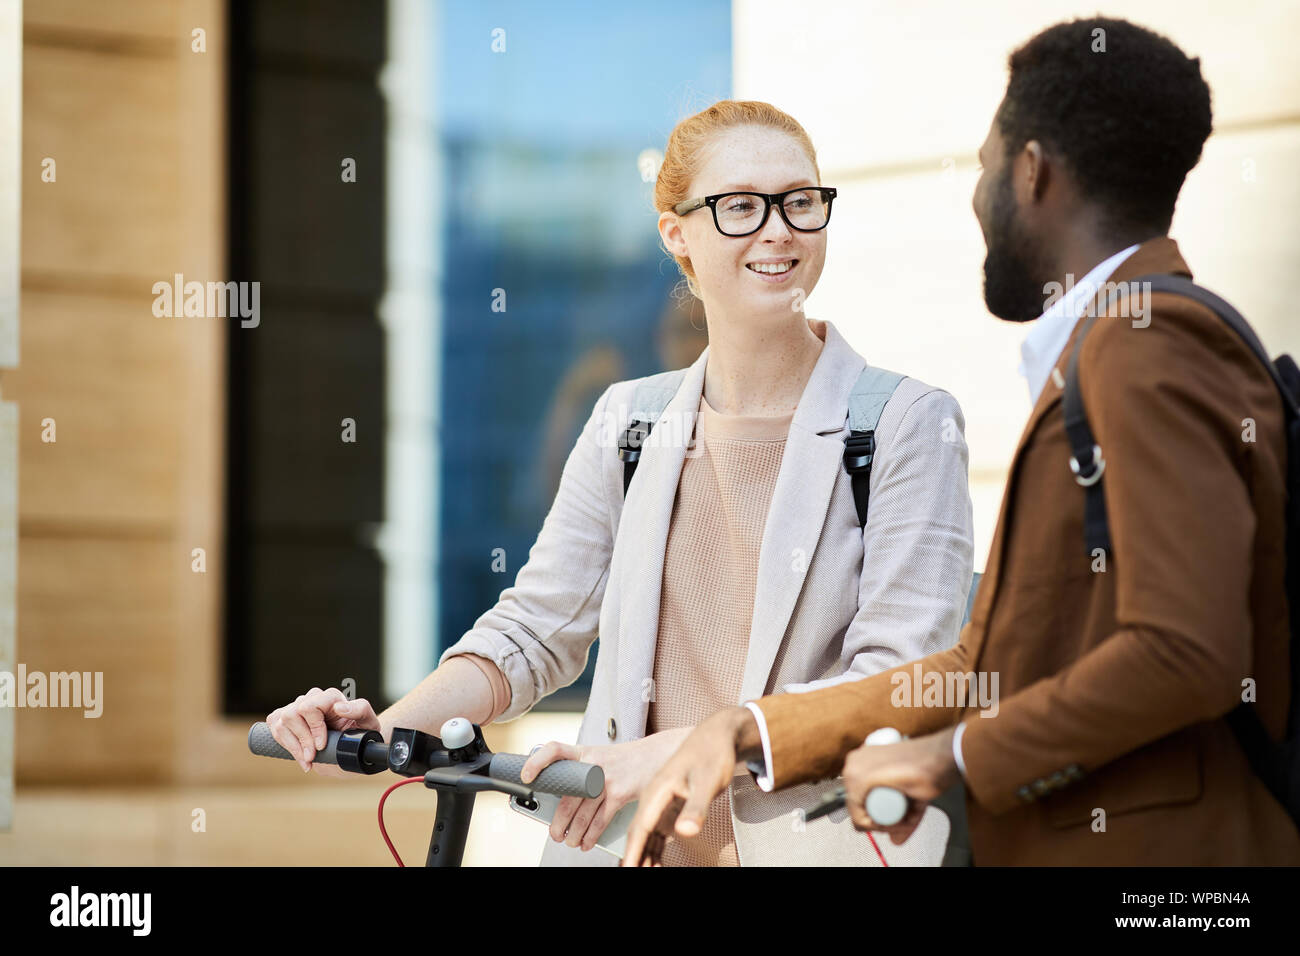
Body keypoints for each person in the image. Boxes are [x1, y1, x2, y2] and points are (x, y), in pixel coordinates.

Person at [623, 18, 1300, 866]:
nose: (976, 196)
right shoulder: (1119, 346)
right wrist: (752, 727)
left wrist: (952, 755)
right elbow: (987, 661)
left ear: (1031, 172)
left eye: (984, 166)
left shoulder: (1146, 348)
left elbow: (1187, 652)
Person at [265, 99, 975, 866]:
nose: (779, 229)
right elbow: (537, 628)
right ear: (677, 234)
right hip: (623, 851)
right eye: (740, 206)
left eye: (801, 202)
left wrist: (673, 754)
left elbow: (897, 684)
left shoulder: (906, 423)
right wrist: (393, 726)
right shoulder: (627, 420)